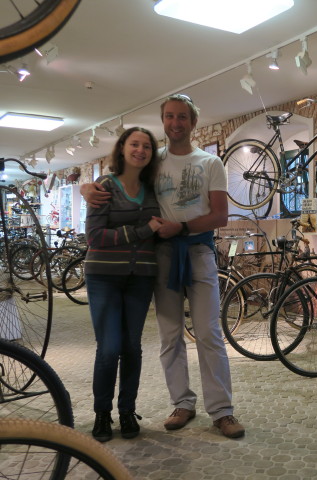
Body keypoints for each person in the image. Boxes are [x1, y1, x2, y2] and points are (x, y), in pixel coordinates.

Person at [81, 94, 244, 439]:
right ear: (164, 121)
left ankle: (222, 411)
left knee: (209, 333)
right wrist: (87, 188)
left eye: (182, 117)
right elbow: (121, 178)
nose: (175, 123)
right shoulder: (154, 162)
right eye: (169, 117)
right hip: (161, 256)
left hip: (198, 252)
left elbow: (220, 216)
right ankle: (182, 403)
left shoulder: (210, 162)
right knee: (170, 336)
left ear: (193, 122)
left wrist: (182, 228)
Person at [85, 127, 161, 442]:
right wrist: (141, 231)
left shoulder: (153, 188)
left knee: (132, 347)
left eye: (146, 146)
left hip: (140, 277)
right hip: (103, 276)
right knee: (110, 348)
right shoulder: (104, 185)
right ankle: (102, 413)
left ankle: (127, 411)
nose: (140, 150)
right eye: (134, 144)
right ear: (122, 148)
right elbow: (94, 237)